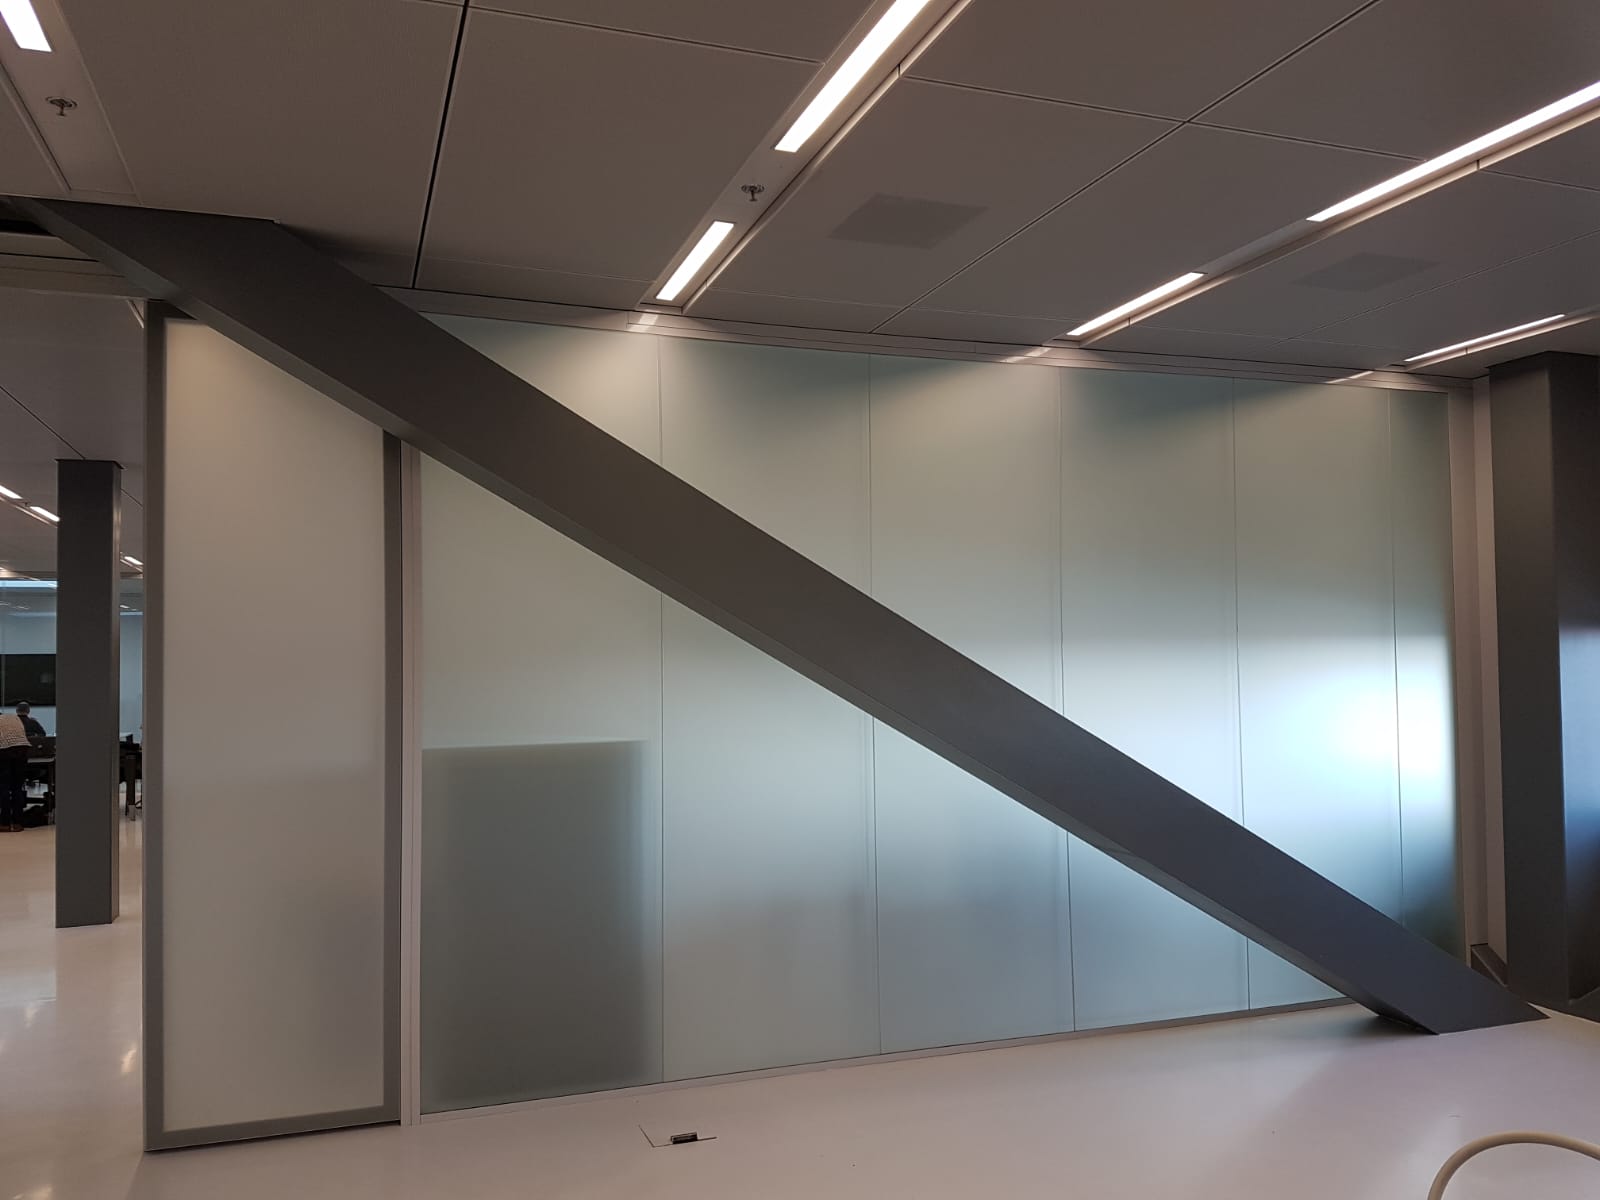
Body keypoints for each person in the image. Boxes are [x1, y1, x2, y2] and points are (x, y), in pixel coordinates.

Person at [0, 709, 30, 831]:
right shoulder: (14, 717)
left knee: (3, 787)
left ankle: (5, 823)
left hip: (4, 750)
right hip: (22, 749)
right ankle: (18, 823)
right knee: (17, 787)